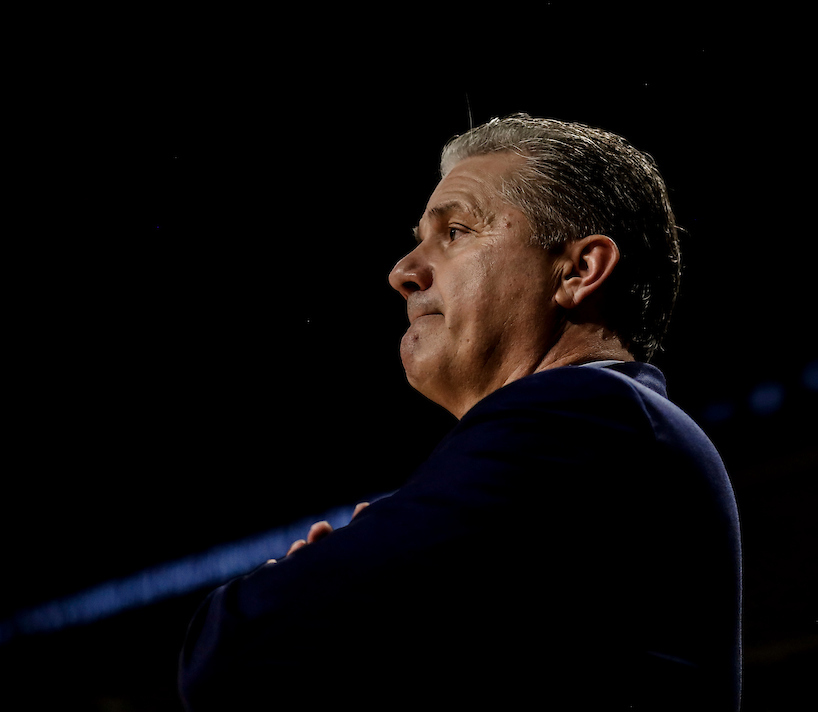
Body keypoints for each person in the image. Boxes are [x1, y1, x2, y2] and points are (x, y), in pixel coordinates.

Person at [178, 114, 743, 710]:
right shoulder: (599, 439)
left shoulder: (583, 414)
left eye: (454, 232)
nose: (403, 272)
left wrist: (324, 581)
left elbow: (232, 651)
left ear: (578, 271)